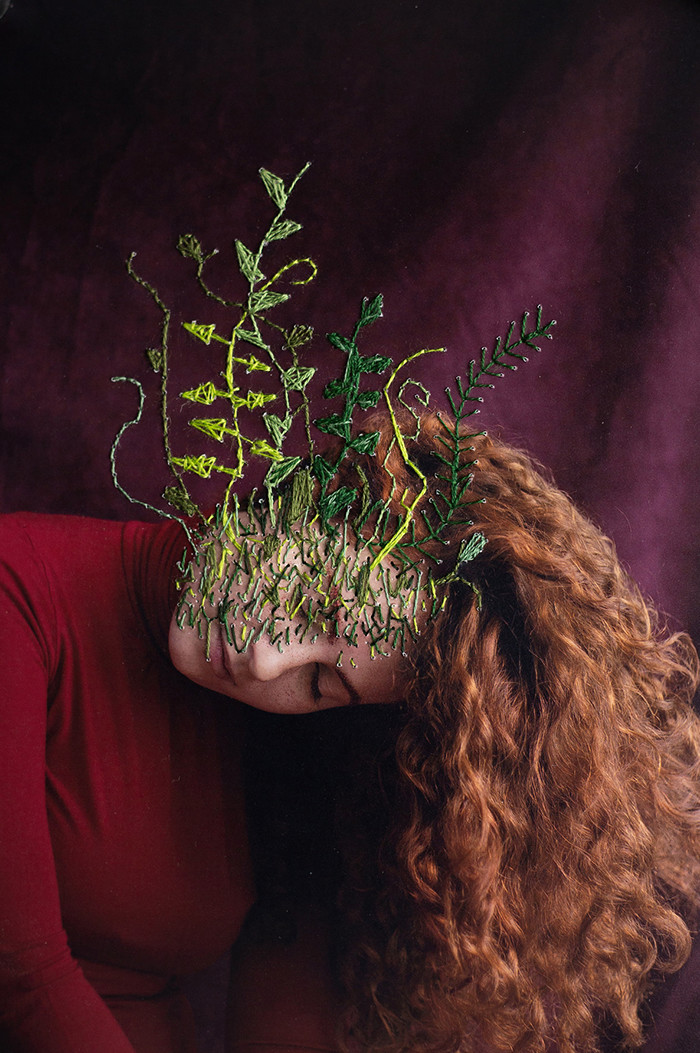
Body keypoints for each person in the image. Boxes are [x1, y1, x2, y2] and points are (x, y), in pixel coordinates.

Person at [1, 407, 698, 1053]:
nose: (264, 658)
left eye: (319, 682)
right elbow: (21, 973)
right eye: (310, 600)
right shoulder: (17, 588)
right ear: (306, 499)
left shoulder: (277, 746)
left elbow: (285, 1019)